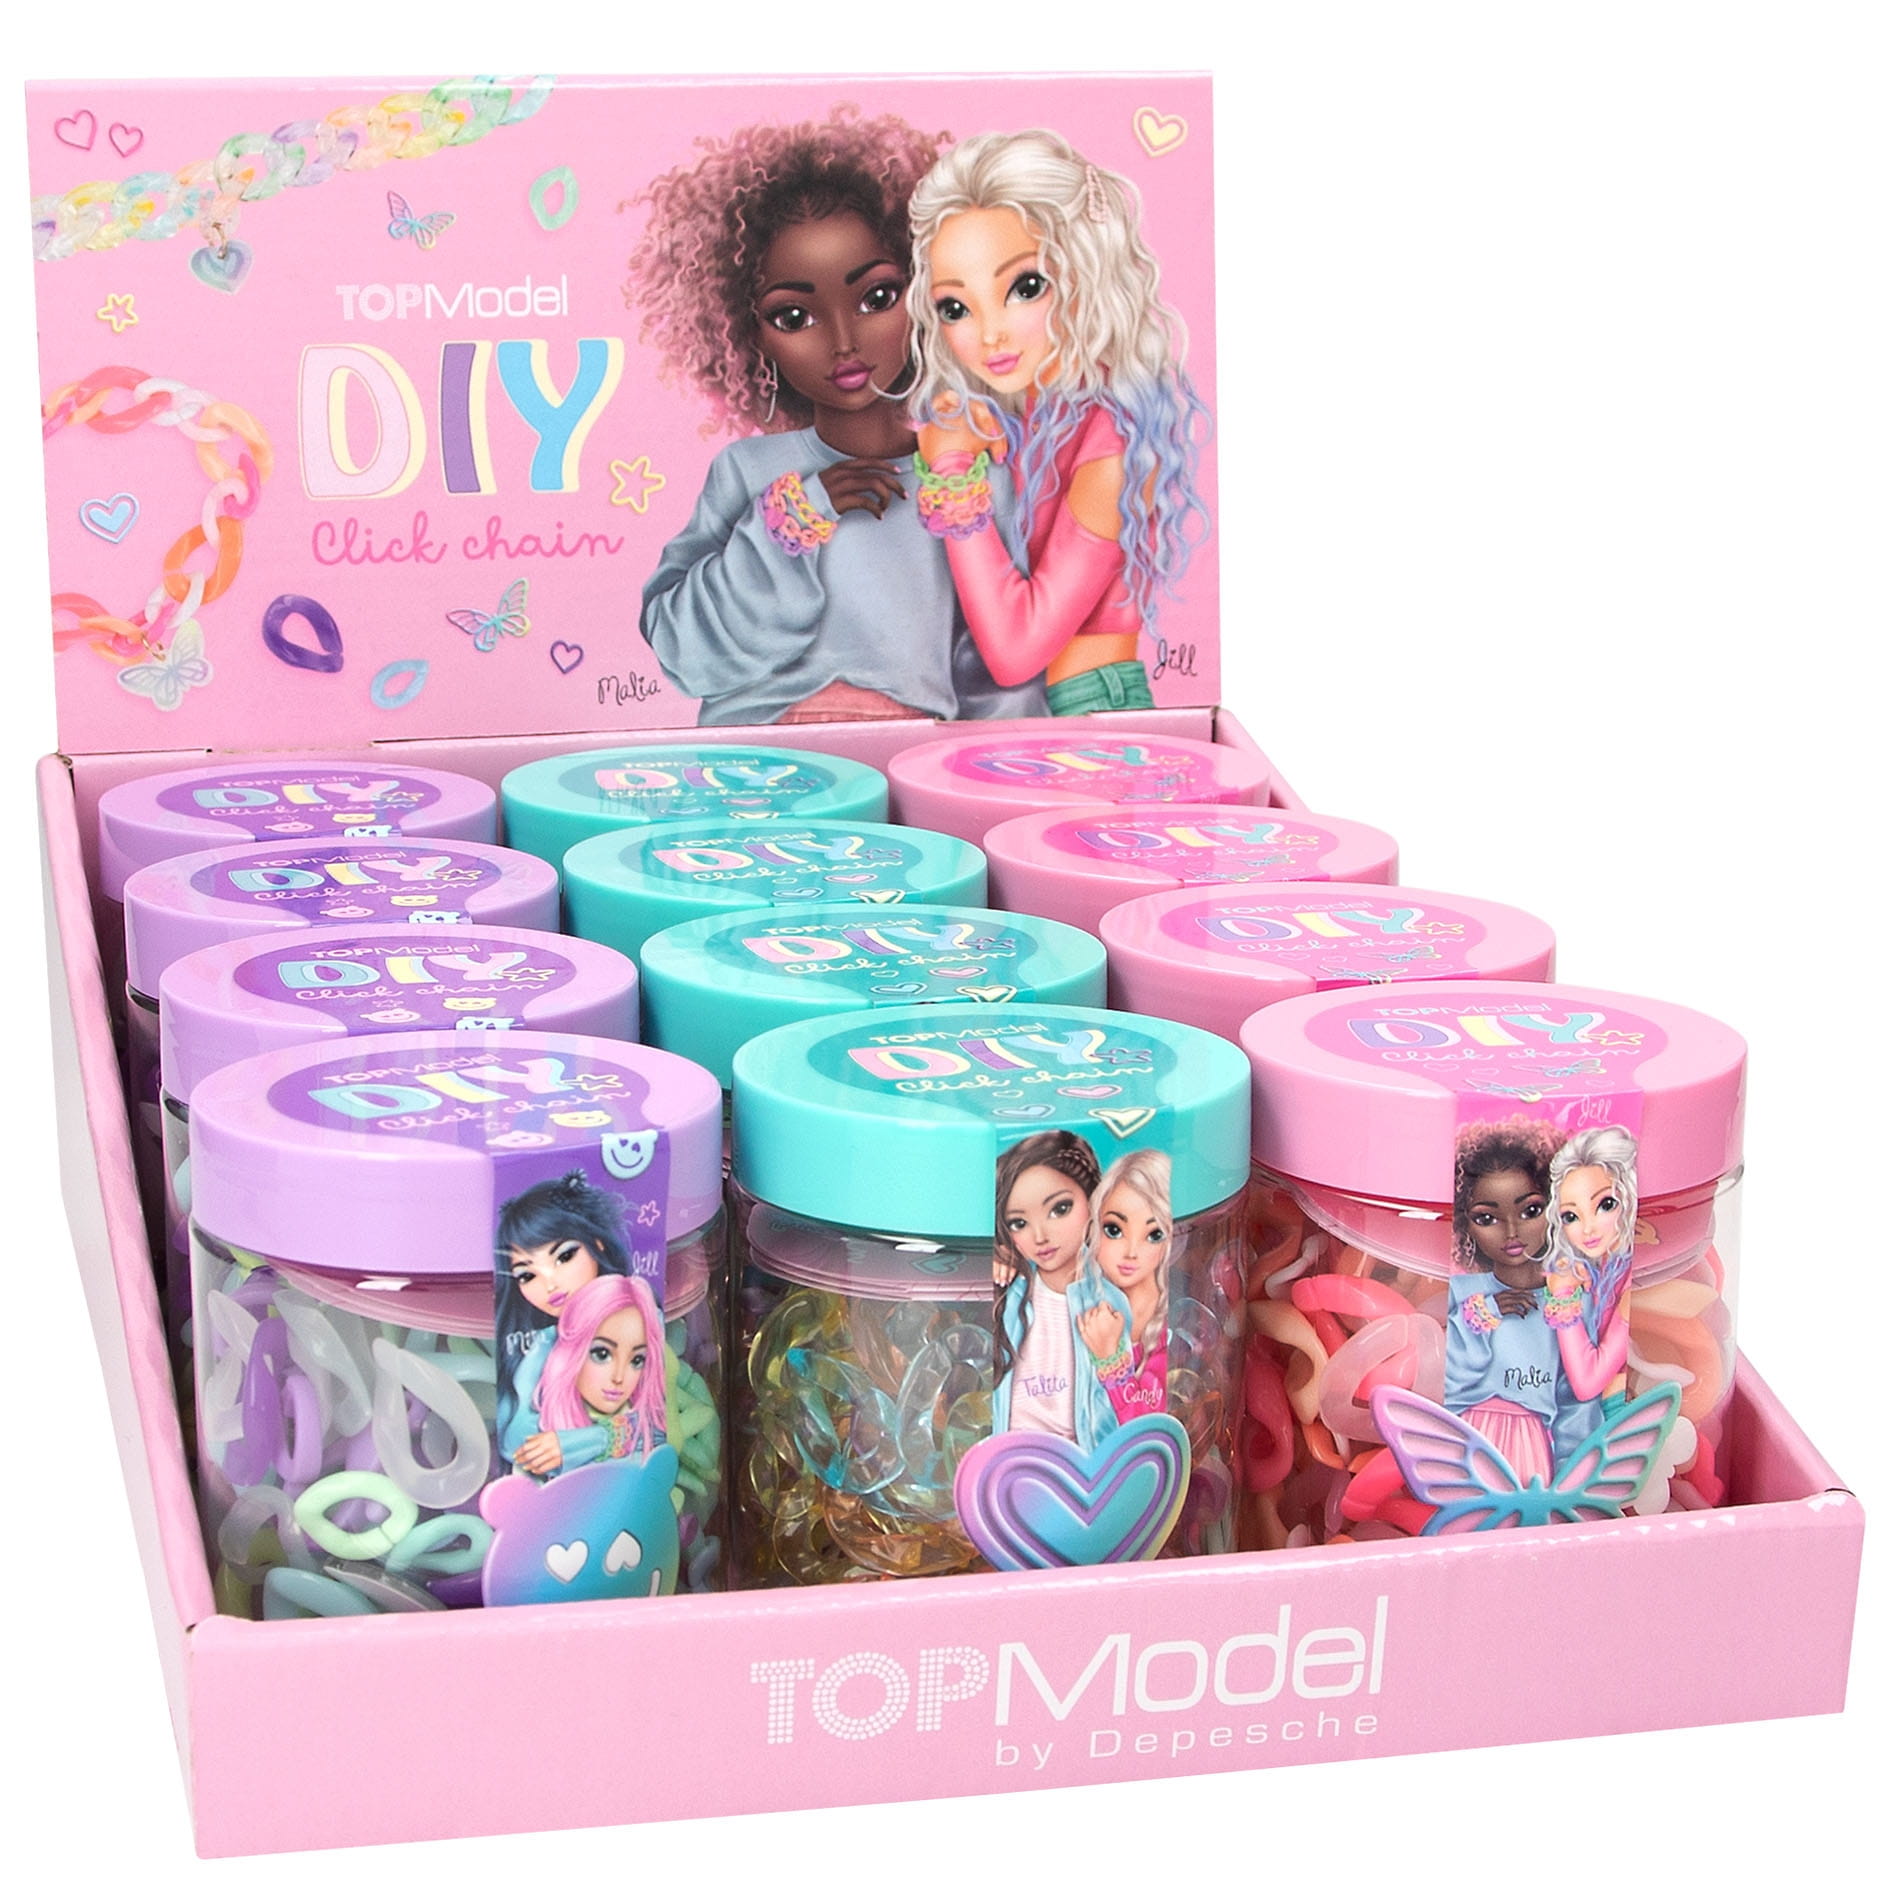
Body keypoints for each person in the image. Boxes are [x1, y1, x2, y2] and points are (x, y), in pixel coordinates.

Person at [628, 109, 1043, 725]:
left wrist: (961, 761)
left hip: (905, 767)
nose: (844, 342)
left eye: (877, 298)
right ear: (750, 334)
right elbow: (684, 652)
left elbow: (1004, 679)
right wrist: (789, 523)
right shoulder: (748, 472)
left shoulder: (972, 475)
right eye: (794, 317)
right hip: (755, 765)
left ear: (928, 292)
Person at [908, 128, 1209, 714]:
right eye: (956, 307)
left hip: (1088, 705)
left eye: (1025, 287)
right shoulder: (1014, 415)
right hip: (1016, 712)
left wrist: (953, 471)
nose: (990, 334)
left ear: (1085, 270)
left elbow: (1015, 650)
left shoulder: (1113, 443)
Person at [1444, 1120, 1597, 1477]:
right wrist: (1483, 1315)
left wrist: (1574, 1471)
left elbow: (1577, 1396)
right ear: (1464, 1224)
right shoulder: (1463, 1293)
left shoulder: (1570, 1300)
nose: (1512, 1232)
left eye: (1530, 1211)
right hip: (1465, 1436)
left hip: (1532, 1443)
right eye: (1487, 1218)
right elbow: (1446, 1382)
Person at [989, 1129, 1124, 1446]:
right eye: (1019, 1223)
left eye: (1060, 1209)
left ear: (1093, 1200)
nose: (1040, 1236)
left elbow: (1129, 1408)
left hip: (1083, 1459)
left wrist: (1110, 1359)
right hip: (1007, 1455)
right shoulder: (1009, 1292)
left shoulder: (1111, 1301)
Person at [493, 1170, 635, 1456]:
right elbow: (514, 1441)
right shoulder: (540, 1348)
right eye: (527, 1275)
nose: (550, 1284)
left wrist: (587, 1440)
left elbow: (656, 1419)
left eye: (565, 1256)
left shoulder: (636, 1316)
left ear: (597, 1243)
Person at [511, 1273, 668, 1478]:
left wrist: (598, 1438)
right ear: (572, 1352)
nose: (619, 1377)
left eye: (637, 1360)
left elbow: (658, 1428)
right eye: (602, 1354)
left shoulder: (647, 1415)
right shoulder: (542, 1406)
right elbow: (518, 1446)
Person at [1544, 1125, 1640, 1405]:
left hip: (1618, 1417)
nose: (1588, 1229)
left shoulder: (1631, 1282)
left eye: (1606, 1204)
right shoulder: (1587, 1272)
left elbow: (1586, 1383)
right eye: (1571, 1216)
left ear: (1629, 1198)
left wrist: (1563, 1295)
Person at [1076, 1150, 1173, 1420]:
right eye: (1114, 1230)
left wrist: (1109, 1358)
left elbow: (1148, 1427)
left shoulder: (1168, 1325)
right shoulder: (1083, 1295)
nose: (1131, 1252)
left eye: (1153, 1235)